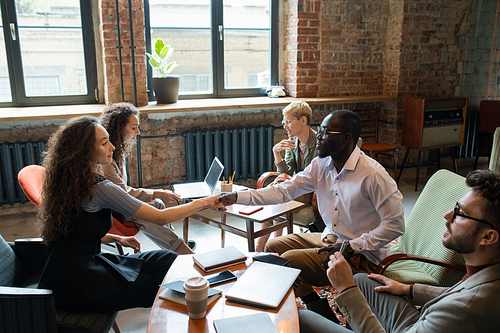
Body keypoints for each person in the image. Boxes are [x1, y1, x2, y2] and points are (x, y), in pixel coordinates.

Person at [219, 110, 404, 322]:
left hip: (364, 255)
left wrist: (352, 245)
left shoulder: (373, 175)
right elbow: (284, 190)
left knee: (287, 262)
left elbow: (396, 225)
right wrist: (237, 197)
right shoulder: (321, 164)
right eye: (320, 130)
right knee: (273, 248)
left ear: (346, 139)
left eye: (326, 132)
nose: (319, 136)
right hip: (333, 238)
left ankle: (310, 319)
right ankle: (321, 311)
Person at [37, 116, 225, 313]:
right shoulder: (99, 188)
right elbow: (161, 218)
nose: (112, 147)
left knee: (167, 259)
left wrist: (113, 237)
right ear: (84, 150)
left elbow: (75, 230)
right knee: (161, 284)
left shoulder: (67, 180)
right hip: (80, 286)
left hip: (63, 273)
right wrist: (205, 202)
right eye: (104, 143)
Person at [300, 169, 500, 333]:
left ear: (488, 237)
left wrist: (345, 289)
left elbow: (460, 302)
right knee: (363, 281)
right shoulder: (486, 273)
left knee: (303, 318)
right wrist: (409, 289)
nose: (447, 216)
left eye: (460, 213)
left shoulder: (462, 310)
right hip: (422, 323)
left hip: (422, 326)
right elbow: (457, 292)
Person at [99, 103, 194, 254]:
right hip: (110, 210)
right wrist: (158, 192)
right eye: (134, 127)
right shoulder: (106, 160)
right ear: (119, 128)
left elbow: (123, 189)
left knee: (158, 204)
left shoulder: (118, 152)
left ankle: (173, 245)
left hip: (118, 202)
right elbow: (122, 194)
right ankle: (182, 251)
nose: (138, 131)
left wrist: (158, 195)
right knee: (146, 215)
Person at [256, 101, 318, 251]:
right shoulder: (293, 143)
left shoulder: (319, 143)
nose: (285, 126)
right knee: (274, 190)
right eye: (284, 122)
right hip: (297, 187)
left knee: (277, 196)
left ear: (303, 120)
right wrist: (276, 153)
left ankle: (264, 247)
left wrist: (291, 180)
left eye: (288, 122)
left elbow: (320, 177)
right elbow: (288, 172)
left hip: (313, 192)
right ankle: (265, 246)